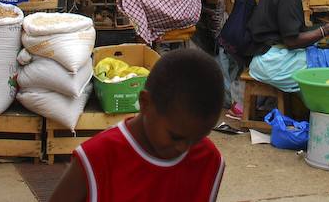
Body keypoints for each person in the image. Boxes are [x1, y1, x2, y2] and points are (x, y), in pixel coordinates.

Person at [49, 49, 225, 202]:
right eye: (175, 136)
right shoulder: (97, 159)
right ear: (145, 103)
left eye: (198, 138)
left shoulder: (208, 160)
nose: (183, 148)